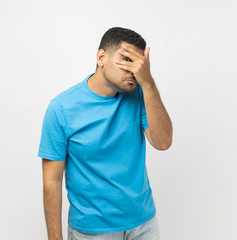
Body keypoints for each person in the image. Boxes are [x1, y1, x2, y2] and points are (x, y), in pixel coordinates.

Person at [38, 26, 173, 240]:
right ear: (102, 57)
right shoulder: (61, 109)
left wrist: (148, 83)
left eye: (139, 64)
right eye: (126, 60)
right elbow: (51, 181)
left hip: (144, 223)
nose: (134, 71)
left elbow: (163, 142)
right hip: (93, 231)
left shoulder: (141, 93)